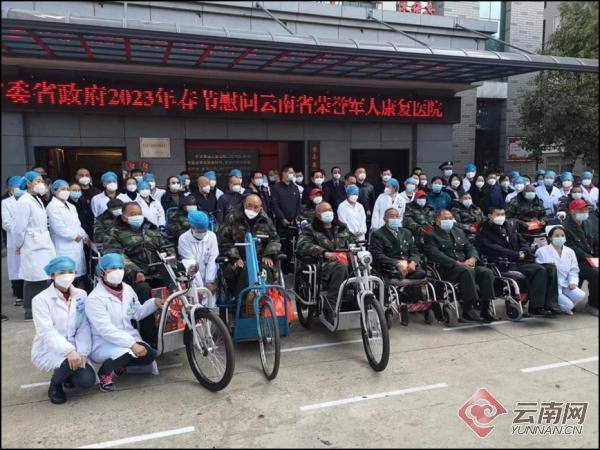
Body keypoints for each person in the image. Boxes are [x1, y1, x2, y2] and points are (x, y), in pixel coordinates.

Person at [85, 253, 165, 392]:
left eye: (120, 268)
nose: (117, 271)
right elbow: (105, 329)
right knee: (127, 352)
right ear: (102, 272)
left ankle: (121, 365)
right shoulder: (95, 298)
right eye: (112, 268)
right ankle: (104, 373)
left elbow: (136, 312)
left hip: (128, 336)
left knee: (150, 355)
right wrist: (132, 344)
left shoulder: (127, 289)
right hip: (104, 342)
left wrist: (154, 303)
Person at [102, 202, 172, 348]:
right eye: (133, 214)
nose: (138, 216)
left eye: (139, 213)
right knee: (144, 290)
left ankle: (176, 329)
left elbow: (166, 246)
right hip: (133, 276)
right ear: (124, 217)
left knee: (175, 285)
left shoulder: (150, 227)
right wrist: (134, 271)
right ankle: (151, 340)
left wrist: (172, 261)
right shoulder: (114, 232)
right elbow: (117, 255)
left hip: (157, 271)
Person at [31, 256, 96, 404]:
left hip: (76, 346)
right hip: (50, 348)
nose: (67, 276)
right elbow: (46, 331)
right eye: (61, 272)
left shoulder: (81, 295)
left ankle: (67, 375)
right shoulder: (40, 300)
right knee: (68, 362)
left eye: (70, 271)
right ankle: (55, 385)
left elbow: (83, 326)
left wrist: (83, 352)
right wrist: (69, 351)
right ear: (52, 275)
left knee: (87, 381)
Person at [475, 206, 560, 316]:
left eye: (502, 214)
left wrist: (524, 252)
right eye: (498, 214)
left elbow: (523, 242)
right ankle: (536, 307)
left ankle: (550, 304)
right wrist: (517, 255)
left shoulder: (509, 227)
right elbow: (495, 249)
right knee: (539, 270)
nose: (501, 217)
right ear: (490, 216)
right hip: (504, 263)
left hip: (521, 260)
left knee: (550, 268)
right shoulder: (484, 232)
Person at [424, 209, 496, 322]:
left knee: (486, 272)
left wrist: (472, 258)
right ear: (437, 220)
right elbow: (435, 254)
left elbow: (470, 247)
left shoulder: (459, 231)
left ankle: (485, 308)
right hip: (447, 268)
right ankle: (468, 309)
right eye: (445, 218)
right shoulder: (431, 235)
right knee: (466, 270)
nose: (448, 220)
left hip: (465, 265)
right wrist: (457, 263)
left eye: (450, 218)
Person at [296, 201, 356, 320]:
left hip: (345, 260)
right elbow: (302, 246)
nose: (328, 213)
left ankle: (361, 302)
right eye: (324, 211)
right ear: (317, 214)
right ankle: (330, 305)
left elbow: (353, 240)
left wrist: (356, 247)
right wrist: (324, 253)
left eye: (330, 210)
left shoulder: (341, 227)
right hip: (322, 264)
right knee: (340, 267)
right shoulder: (310, 229)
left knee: (362, 265)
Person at [370, 208, 428, 324]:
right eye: (391, 216)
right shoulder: (378, 234)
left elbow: (414, 251)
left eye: (397, 216)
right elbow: (377, 255)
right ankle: (402, 298)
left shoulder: (406, 232)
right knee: (394, 274)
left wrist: (413, 262)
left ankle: (408, 295)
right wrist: (396, 263)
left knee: (423, 274)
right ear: (385, 219)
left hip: (408, 265)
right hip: (389, 266)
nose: (395, 218)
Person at [218, 194, 281, 299]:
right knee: (245, 269)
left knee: (266, 269)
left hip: (261, 258)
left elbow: (275, 239)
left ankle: (267, 299)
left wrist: (269, 254)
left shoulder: (266, 220)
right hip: (239, 257)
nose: (252, 209)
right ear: (244, 204)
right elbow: (224, 240)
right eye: (249, 205)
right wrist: (235, 257)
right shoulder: (232, 218)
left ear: (260, 207)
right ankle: (243, 300)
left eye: (256, 207)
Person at [12, 171, 56, 321]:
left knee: (43, 277)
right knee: (32, 278)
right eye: (37, 181)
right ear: (28, 183)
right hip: (31, 244)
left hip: (42, 243)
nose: (41, 184)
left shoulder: (36, 199)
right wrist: (19, 244)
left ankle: (42, 309)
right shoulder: (24, 201)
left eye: (41, 181)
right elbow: (18, 228)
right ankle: (29, 311)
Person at [46, 180, 89, 287]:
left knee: (77, 275)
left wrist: (84, 236)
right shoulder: (52, 207)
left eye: (67, 189)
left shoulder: (71, 206)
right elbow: (59, 227)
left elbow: (77, 224)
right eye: (62, 189)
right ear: (54, 191)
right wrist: (74, 236)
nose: (66, 191)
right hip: (63, 245)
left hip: (77, 244)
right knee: (65, 275)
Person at [535, 225, 586, 315]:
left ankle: (561, 306)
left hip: (565, 283)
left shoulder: (570, 251)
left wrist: (573, 282)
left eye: (562, 235)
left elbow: (573, 270)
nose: (560, 238)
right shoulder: (541, 251)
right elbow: (539, 271)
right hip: (551, 287)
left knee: (580, 294)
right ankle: (552, 305)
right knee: (569, 305)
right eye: (557, 236)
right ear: (550, 238)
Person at [563, 199, 598, 316]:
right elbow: (572, 249)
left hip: (590, 259)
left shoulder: (588, 223)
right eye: (581, 209)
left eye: (586, 209)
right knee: (596, 274)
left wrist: (596, 257)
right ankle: (593, 305)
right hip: (575, 261)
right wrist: (590, 259)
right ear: (572, 211)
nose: (585, 212)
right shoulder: (566, 227)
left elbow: (595, 241)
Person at [178, 211, 219, 294]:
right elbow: (191, 264)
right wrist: (199, 288)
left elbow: (213, 259)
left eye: (204, 231)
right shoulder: (184, 239)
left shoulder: (211, 236)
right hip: (193, 279)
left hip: (209, 279)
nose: (202, 234)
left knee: (211, 300)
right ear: (191, 227)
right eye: (199, 231)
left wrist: (209, 281)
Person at [2, 176, 25, 304]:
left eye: (20, 186)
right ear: (10, 188)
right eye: (15, 186)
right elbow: (6, 222)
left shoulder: (28, 200)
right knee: (16, 267)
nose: (18, 189)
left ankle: (28, 293)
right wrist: (19, 230)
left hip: (28, 238)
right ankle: (19, 294)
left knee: (27, 266)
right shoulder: (5, 203)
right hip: (14, 239)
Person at [74, 168, 101, 242]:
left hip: (95, 228)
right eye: (81, 175)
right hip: (79, 229)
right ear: (76, 177)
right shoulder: (73, 192)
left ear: (90, 177)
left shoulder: (97, 192)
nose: (84, 177)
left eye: (87, 175)